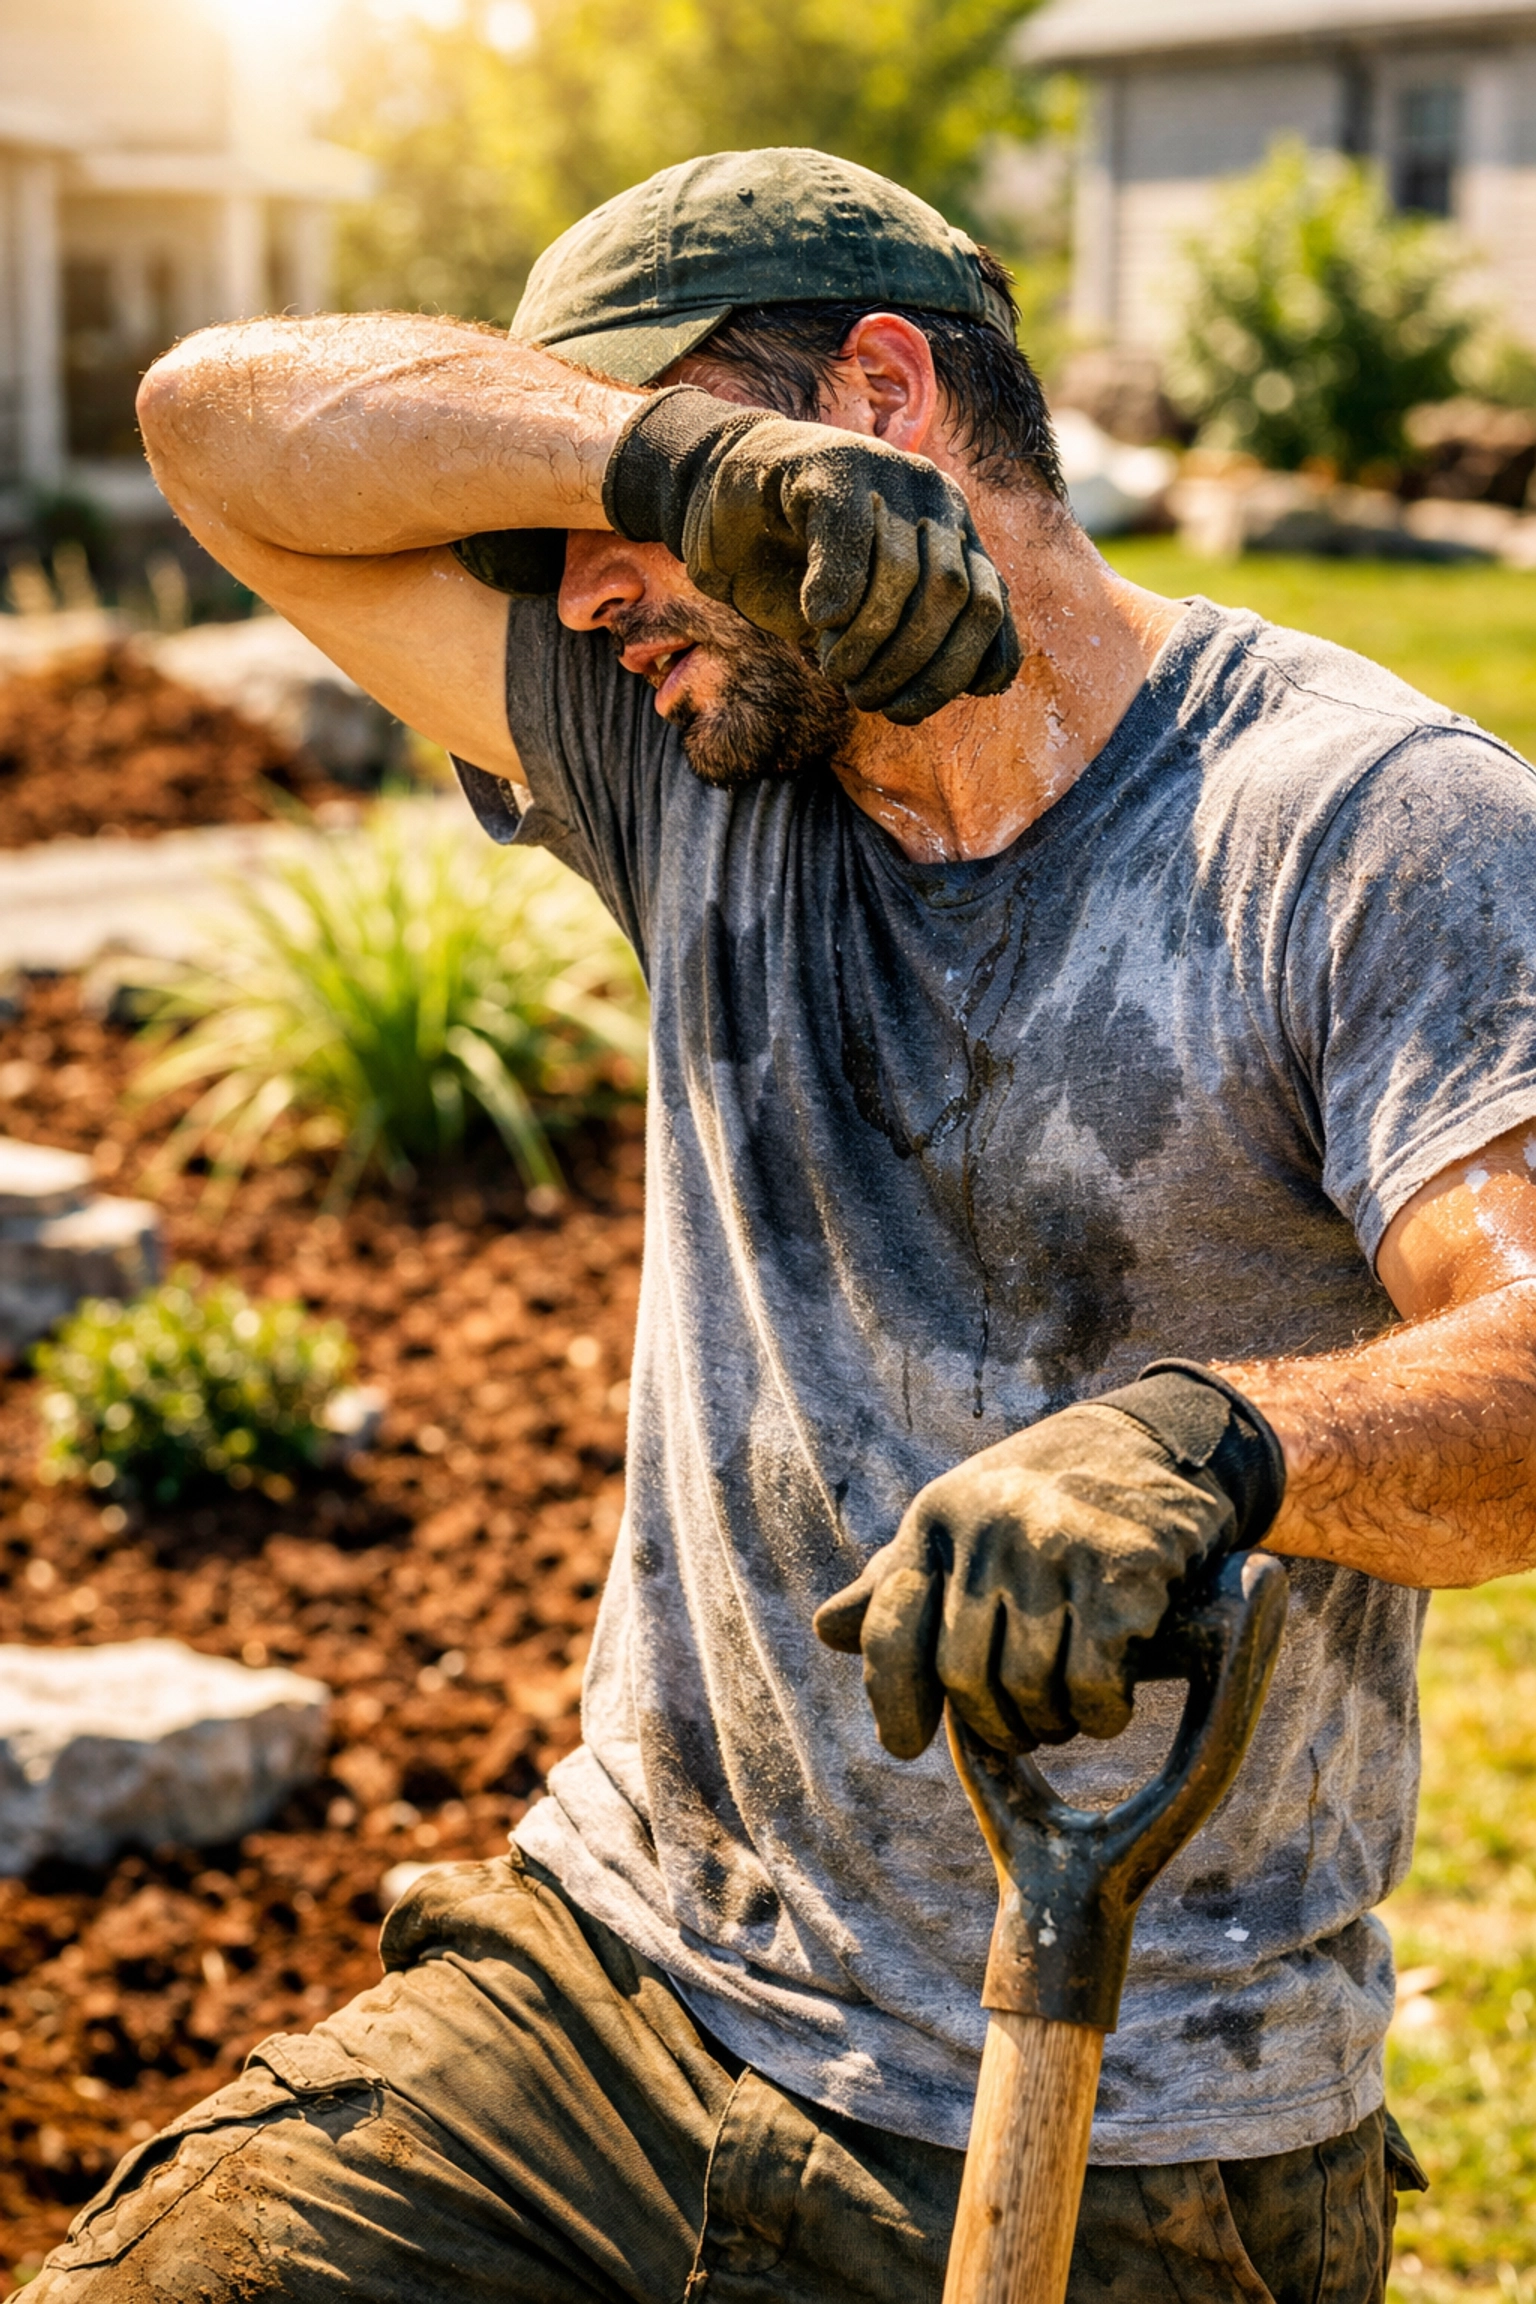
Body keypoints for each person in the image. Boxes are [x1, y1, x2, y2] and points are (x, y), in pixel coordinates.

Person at [36, 147, 1536, 2304]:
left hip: (1120, 2097)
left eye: (609, 537)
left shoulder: (1358, 830)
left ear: (889, 402)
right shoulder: (689, 775)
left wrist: (1221, 1446)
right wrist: (652, 460)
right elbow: (212, 426)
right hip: (611, 1987)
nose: (570, 594)